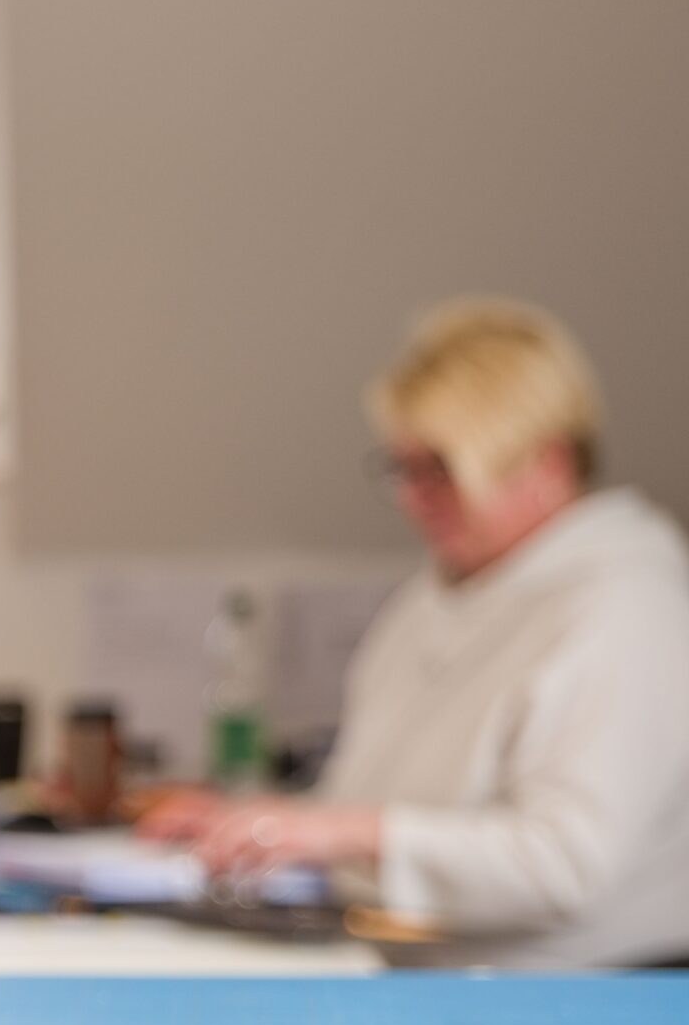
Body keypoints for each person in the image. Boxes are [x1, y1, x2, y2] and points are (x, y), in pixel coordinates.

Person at [142, 298, 689, 967]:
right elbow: (368, 810)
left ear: (546, 462)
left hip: (574, 993)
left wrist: (344, 832)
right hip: (407, 965)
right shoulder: (435, 597)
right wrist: (255, 822)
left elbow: (565, 865)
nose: (413, 497)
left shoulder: (627, 606)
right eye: (403, 468)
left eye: (441, 469)